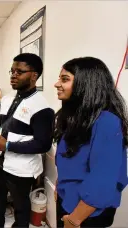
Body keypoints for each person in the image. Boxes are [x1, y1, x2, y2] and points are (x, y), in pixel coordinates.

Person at [0, 53, 55, 228]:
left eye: (19, 71)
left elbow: (43, 144)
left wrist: (8, 145)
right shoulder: (7, 98)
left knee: (21, 206)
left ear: (34, 75)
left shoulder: (42, 108)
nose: (13, 75)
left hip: (21, 169)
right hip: (1, 161)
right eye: (12, 70)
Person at [54, 57, 128, 228]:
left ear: (86, 83)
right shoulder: (75, 116)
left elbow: (102, 180)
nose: (56, 84)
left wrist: (75, 220)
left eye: (64, 79)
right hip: (69, 200)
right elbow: (70, 157)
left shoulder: (107, 122)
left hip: (87, 212)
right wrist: (60, 185)